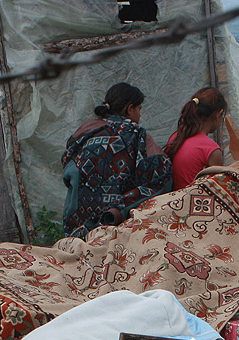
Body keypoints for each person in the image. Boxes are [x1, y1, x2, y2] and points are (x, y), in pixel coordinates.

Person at [61, 83, 172, 238]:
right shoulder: (137, 136)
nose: (139, 115)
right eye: (139, 109)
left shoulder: (85, 134)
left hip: (78, 224)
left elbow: (69, 170)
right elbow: (161, 177)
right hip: (115, 225)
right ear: (130, 108)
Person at [165, 87, 227, 190]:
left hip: (172, 201)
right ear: (218, 114)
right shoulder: (211, 150)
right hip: (194, 203)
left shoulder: (175, 137)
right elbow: (217, 191)